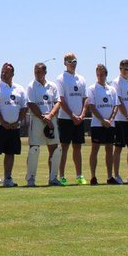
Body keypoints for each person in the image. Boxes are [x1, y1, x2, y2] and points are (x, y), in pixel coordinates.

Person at [0, 63, 27, 188]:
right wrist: (3, 123)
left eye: (7, 71)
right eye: (3, 70)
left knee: (10, 153)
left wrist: (18, 121)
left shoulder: (19, 89)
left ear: (12, 74)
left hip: (14, 127)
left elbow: (24, 107)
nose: (4, 73)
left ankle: (8, 178)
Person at [25, 62, 62, 186]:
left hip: (51, 120)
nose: (37, 74)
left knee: (55, 150)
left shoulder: (52, 86)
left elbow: (58, 102)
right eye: (35, 71)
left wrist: (50, 116)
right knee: (34, 150)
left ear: (45, 72)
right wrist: (43, 118)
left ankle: (53, 178)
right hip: (37, 120)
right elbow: (31, 103)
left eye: (39, 71)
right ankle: (31, 179)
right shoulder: (31, 86)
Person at [56, 53, 89, 185]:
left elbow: (85, 99)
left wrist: (81, 115)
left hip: (79, 119)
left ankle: (79, 175)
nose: (72, 63)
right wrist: (72, 115)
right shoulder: (61, 78)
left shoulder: (81, 79)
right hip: (65, 119)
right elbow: (61, 100)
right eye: (69, 61)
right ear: (65, 63)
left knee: (77, 147)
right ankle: (62, 176)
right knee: (64, 147)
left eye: (74, 61)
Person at [86, 63, 118, 185]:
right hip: (97, 125)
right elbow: (92, 107)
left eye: (102, 74)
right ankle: (93, 176)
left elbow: (116, 106)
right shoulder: (92, 88)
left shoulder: (112, 89)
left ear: (106, 74)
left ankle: (110, 177)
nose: (100, 76)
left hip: (110, 125)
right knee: (95, 149)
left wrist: (110, 120)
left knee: (110, 149)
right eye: (98, 74)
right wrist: (102, 120)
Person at [111, 59, 128, 184]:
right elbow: (118, 100)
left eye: (126, 68)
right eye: (122, 68)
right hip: (120, 120)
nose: (124, 70)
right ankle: (116, 175)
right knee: (118, 148)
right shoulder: (116, 82)